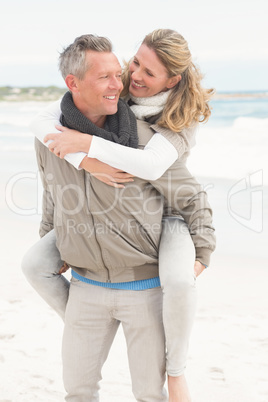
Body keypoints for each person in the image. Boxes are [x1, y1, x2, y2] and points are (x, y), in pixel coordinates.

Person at [23, 31, 215, 402]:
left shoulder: (154, 135)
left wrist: (203, 250)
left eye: (144, 72)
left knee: (150, 393)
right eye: (132, 66)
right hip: (85, 287)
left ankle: (178, 371)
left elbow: (188, 195)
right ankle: (88, 326)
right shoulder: (53, 135)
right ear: (73, 83)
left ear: (171, 81)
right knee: (76, 391)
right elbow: (53, 191)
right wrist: (53, 235)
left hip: (144, 282)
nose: (126, 80)